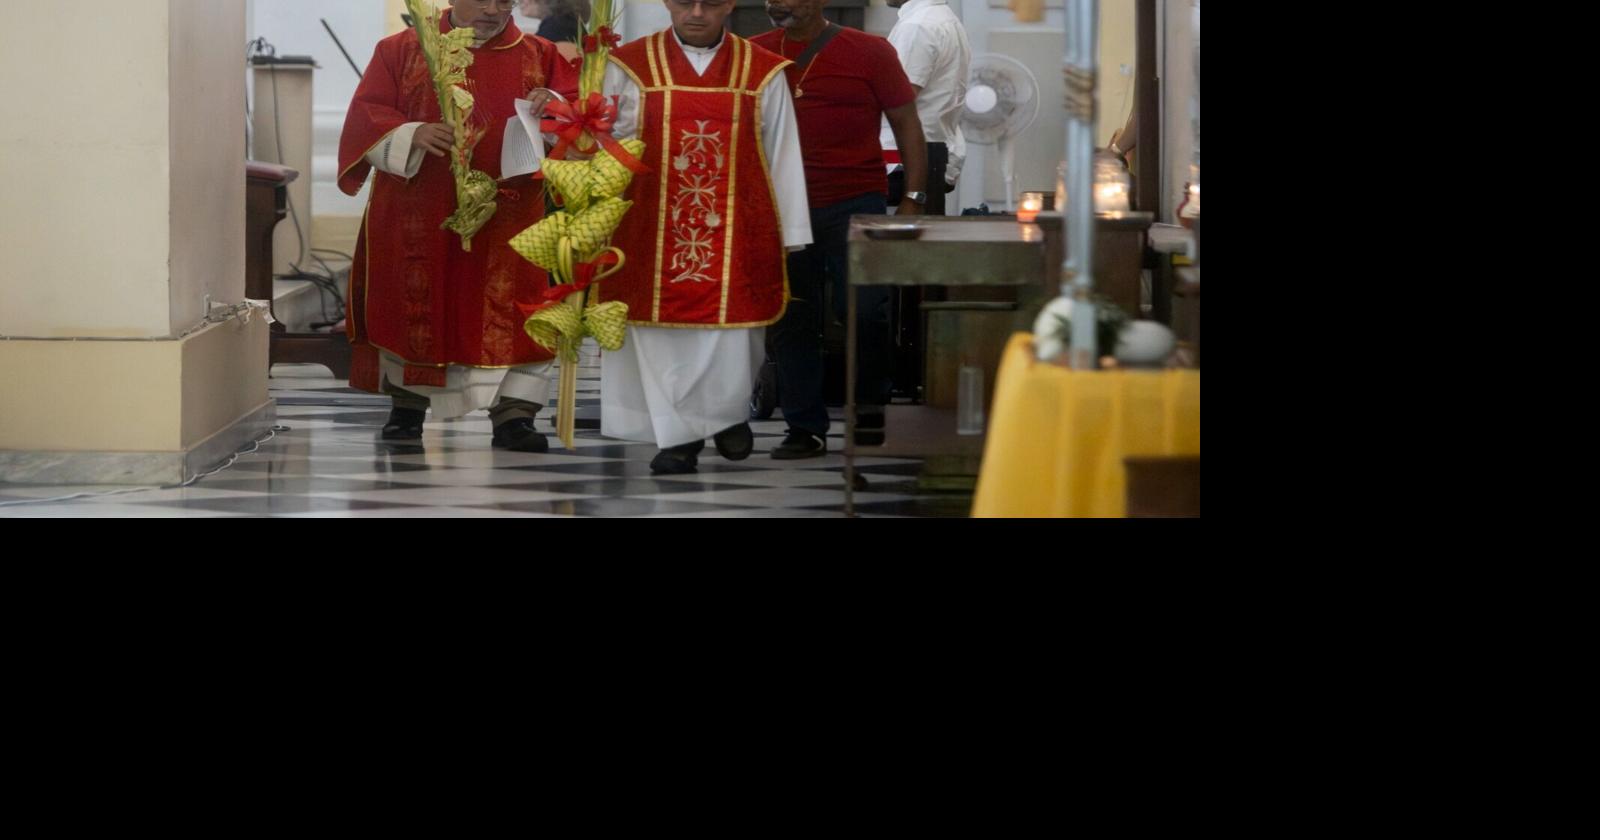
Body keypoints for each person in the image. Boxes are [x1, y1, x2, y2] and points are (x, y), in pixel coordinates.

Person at [337, 0, 578, 451]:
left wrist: (557, 106)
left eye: (504, 0)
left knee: (512, 306)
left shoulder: (539, 53)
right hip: (418, 206)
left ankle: (514, 415)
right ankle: (407, 407)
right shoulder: (402, 50)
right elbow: (366, 115)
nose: (492, 9)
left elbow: (578, 117)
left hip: (509, 211)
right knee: (414, 298)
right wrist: (411, 133)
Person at [595, 0, 813, 474]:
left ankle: (726, 413)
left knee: (734, 336)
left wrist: (791, 232)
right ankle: (681, 439)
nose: (696, 13)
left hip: (738, 228)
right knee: (659, 340)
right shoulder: (627, 65)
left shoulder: (762, 72)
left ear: (729, 5)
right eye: (684, 2)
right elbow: (604, 141)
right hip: (648, 227)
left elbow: (782, 149)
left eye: (710, 4)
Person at [751, 0, 926, 458]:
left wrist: (913, 196)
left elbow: (906, 123)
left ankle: (869, 411)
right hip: (782, 205)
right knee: (793, 316)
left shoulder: (872, 52)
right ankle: (804, 426)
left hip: (855, 202)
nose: (777, 5)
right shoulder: (752, 53)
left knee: (866, 312)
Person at [878, 0, 970, 217]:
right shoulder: (941, 17)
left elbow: (899, 98)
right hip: (929, 153)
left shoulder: (918, 26)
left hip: (904, 162)